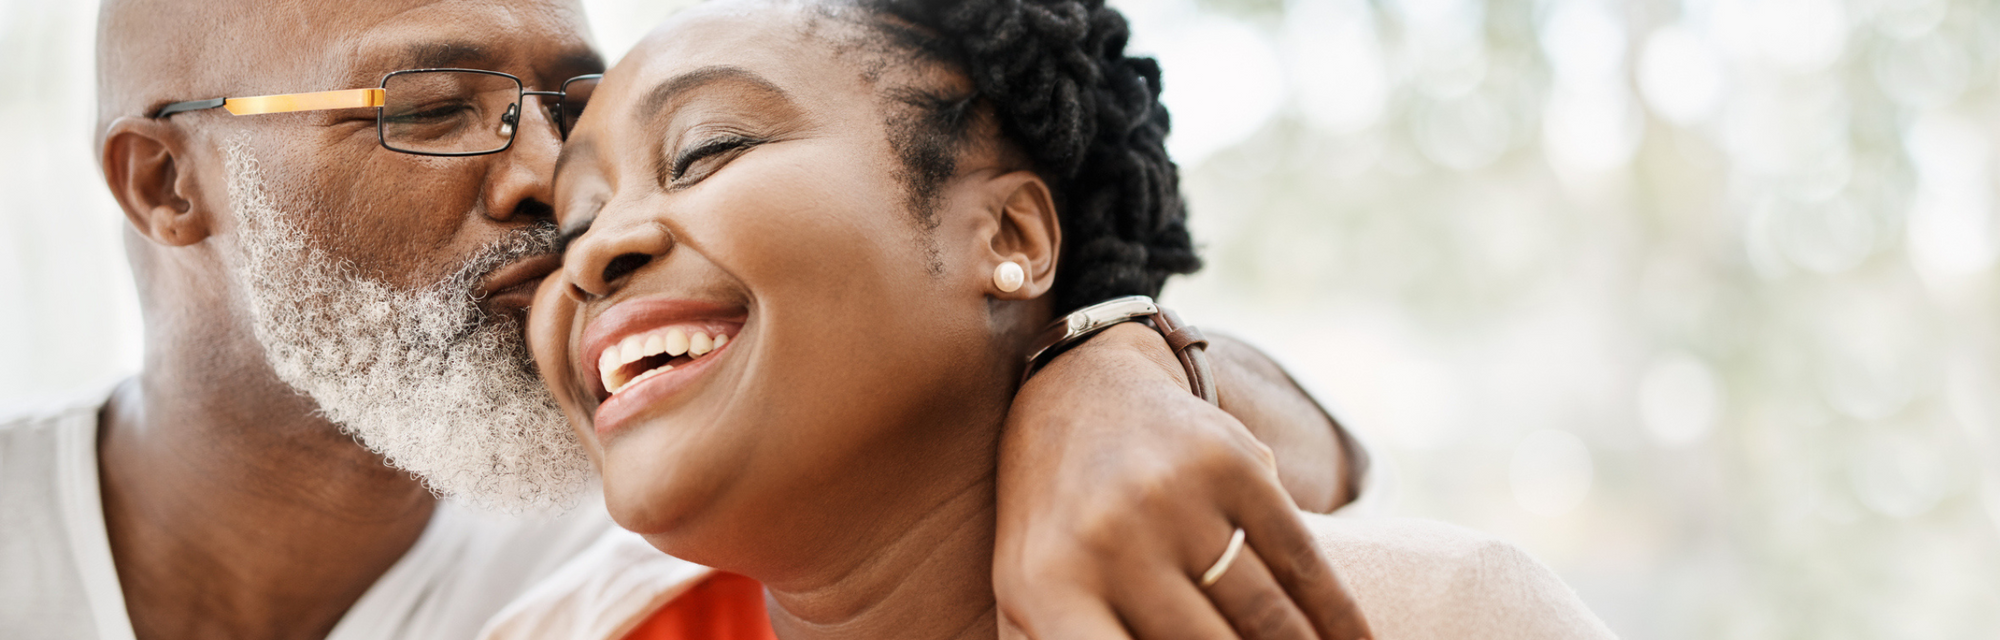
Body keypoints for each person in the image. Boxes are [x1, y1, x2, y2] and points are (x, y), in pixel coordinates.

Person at [1, 0, 1378, 638]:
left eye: (569, 109)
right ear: (166, 182)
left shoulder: (672, 507)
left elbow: (1324, 460)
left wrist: (1103, 370)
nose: (549, 186)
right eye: (429, 108)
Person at [499, 0, 1616, 638]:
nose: (592, 250)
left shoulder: (1428, 613)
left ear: (1010, 235)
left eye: (704, 149)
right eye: (572, 222)